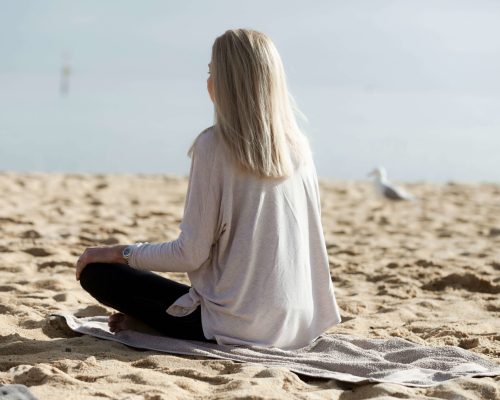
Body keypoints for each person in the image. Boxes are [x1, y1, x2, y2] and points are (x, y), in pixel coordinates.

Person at [76, 28, 341, 349]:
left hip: (238, 325)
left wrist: (119, 252)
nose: (208, 81)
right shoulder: (299, 148)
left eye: (212, 72)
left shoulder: (214, 144)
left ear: (227, 82)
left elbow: (190, 254)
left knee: (99, 273)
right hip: (297, 324)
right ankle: (153, 323)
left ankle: (156, 326)